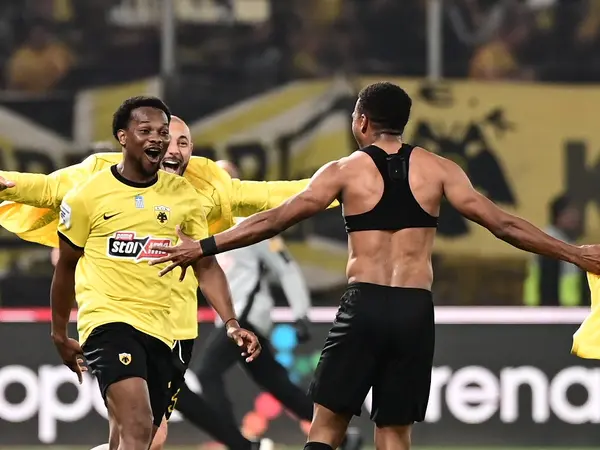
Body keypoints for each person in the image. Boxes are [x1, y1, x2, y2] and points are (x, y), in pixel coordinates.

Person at [149, 81, 600, 450]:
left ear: (362, 121)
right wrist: (575, 253)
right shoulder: (440, 170)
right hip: (414, 310)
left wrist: (203, 246)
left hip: (363, 306)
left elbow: (274, 219)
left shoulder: (345, 170)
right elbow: (504, 225)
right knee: (395, 432)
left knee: (326, 427)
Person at [0, 113, 336, 450]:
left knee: (150, 439)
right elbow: (48, 189)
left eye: (183, 142)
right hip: (112, 320)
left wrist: (336, 188)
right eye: (164, 139)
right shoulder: (100, 178)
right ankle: (241, 444)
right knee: (138, 426)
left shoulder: (195, 196)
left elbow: (261, 202)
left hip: (172, 330)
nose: (172, 148)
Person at [51, 96, 261, 450]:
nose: (158, 139)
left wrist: (231, 322)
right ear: (122, 137)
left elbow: (206, 265)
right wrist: (59, 334)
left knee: (143, 438)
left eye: (163, 132)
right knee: (137, 425)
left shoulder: (184, 197)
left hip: (164, 330)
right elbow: (66, 268)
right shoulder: (88, 196)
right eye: (145, 130)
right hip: (108, 323)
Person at [184, 160, 362, 450]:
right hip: (233, 319)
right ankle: (341, 436)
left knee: (207, 372)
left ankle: (235, 443)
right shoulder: (204, 224)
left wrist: (301, 312)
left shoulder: (248, 225)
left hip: (247, 317)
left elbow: (286, 268)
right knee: (277, 384)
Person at [524, 194, 589, 306]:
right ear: (558, 216)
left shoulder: (565, 241)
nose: (576, 219)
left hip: (565, 309)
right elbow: (548, 282)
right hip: (549, 310)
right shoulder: (550, 242)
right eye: (571, 215)